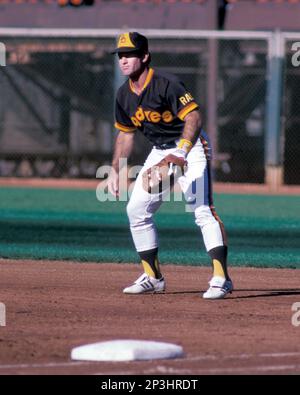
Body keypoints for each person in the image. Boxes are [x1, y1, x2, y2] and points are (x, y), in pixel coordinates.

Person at [108, 32, 233, 299]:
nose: (124, 60)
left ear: (144, 56)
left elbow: (194, 118)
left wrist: (183, 153)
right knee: (136, 209)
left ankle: (221, 278)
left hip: (191, 146)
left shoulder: (167, 84)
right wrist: (117, 170)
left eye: (130, 54)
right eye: (120, 55)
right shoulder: (123, 95)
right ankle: (153, 277)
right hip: (159, 151)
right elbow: (126, 135)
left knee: (201, 210)